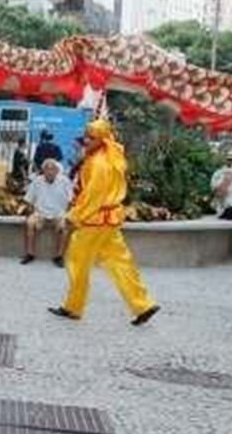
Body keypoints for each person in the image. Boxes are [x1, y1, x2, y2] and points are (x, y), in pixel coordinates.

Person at [48, 120, 161, 326]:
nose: (86, 141)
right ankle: (143, 305)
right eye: (87, 136)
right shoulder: (110, 158)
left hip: (94, 221)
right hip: (109, 221)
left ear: (102, 140)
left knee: (76, 261)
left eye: (92, 138)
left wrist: (71, 217)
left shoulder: (98, 163)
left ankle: (73, 307)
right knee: (121, 263)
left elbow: (92, 196)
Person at [22, 159, 74, 266]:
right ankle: (30, 253)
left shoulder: (64, 181)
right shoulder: (37, 181)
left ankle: (59, 256)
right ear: (43, 170)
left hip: (59, 213)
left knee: (65, 227)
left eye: (52, 169)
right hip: (40, 213)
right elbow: (28, 199)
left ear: (57, 171)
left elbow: (71, 200)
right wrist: (31, 212)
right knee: (30, 223)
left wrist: (67, 214)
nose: (50, 171)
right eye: (47, 169)